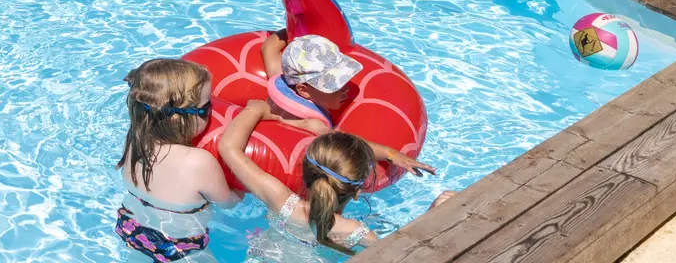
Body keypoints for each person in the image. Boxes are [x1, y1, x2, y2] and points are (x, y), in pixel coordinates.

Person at [114, 58, 240, 262]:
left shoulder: (134, 141)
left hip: (133, 232)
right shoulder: (198, 162)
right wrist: (244, 184)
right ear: (184, 117)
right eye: (207, 106)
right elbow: (228, 203)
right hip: (181, 250)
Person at [256, 34, 435, 177]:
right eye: (333, 85)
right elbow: (350, 144)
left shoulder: (279, 75)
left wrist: (296, 33)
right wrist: (391, 154)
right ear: (303, 90)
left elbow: (269, 46)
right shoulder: (314, 125)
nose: (346, 89)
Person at [219, 99, 379, 257]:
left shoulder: (281, 201)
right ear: (358, 192)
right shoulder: (359, 234)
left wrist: (255, 110)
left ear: (305, 171)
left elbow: (228, 147)